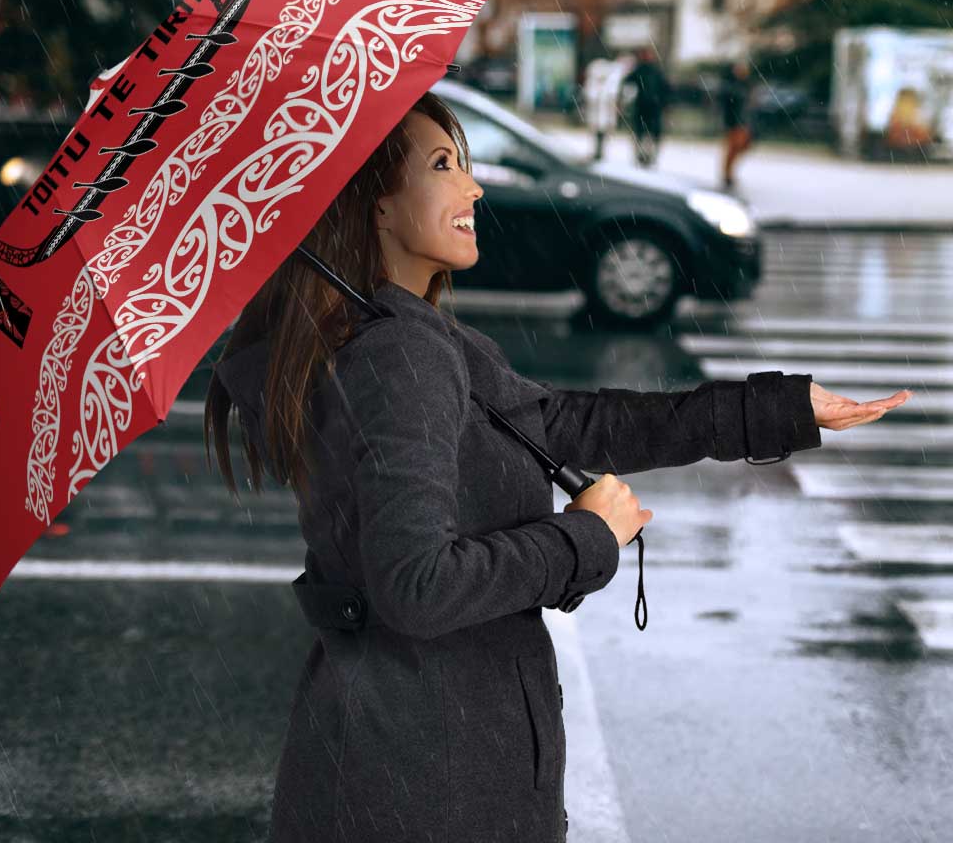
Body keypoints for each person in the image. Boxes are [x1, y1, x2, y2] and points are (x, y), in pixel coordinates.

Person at [205, 90, 907, 843]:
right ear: (375, 205)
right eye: (443, 165)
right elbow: (416, 586)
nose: (473, 187)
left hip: (408, 761)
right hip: (427, 781)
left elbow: (569, 424)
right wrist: (584, 538)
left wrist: (779, 410)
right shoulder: (398, 355)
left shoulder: (405, 336)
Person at [621, 45, 671, 168]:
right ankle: (642, 156)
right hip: (644, 107)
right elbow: (627, 83)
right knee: (642, 133)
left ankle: (648, 156)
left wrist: (664, 103)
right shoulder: (641, 70)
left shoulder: (654, 71)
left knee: (649, 134)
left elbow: (665, 89)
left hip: (652, 107)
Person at [719, 58, 755, 189]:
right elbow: (728, 105)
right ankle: (727, 174)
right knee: (733, 148)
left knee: (741, 147)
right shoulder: (731, 86)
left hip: (743, 122)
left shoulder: (746, 85)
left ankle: (728, 173)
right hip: (734, 122)